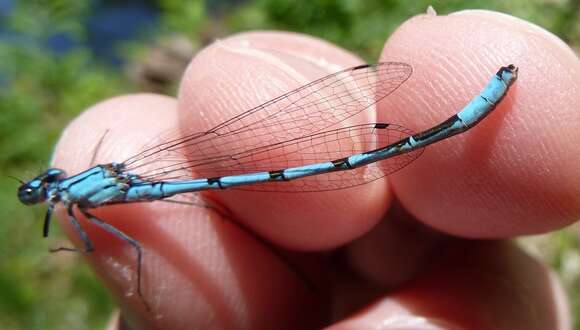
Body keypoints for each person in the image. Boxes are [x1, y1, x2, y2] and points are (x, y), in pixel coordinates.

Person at [51, 9, 579, 330]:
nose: (49, 193)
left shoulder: (82, 207)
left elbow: (114, 243)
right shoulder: (86, 197)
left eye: (47, 189)